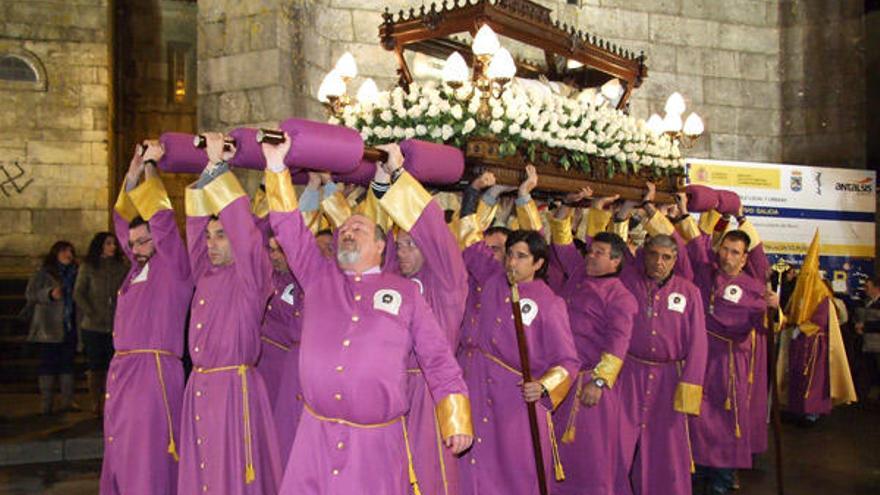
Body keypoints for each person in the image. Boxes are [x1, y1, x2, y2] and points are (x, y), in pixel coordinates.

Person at [262, 135, 473, 495]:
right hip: (316, 437)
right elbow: (290, 230)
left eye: (358, 228)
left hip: (376, 444)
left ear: (380, 246)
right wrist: (276, 167)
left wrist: (455, 415)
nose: (347, 231)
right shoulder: (318, 276)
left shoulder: (405, 294)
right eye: (344, 229)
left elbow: (437, 357)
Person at [178, 133, 282, 495]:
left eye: (221, 236)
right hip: (200, 387)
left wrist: (222, 168)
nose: (211, 245)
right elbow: (192, 233)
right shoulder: (204, 273)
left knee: (228, 476)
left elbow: (248, 238)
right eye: (209, 237)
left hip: (232, 390)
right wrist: (209, 170)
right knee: (202, 474)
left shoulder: (251, 277)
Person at [375, 144, 470, 495]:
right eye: (399, 245)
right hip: (392, 388)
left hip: (431, 391)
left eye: (411, 246)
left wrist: (400, 175)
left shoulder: (446, 280)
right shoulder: (394, 281)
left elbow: (435, 232)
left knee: (429, 473)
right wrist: (381, 183)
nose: (402, 252)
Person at [458, 225, 580, 495]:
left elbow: (568, 361)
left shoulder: (550, 303)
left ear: (538, 263)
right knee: (475, 463)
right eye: (510, 254)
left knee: (515, 470)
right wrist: (478, 197)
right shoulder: (493, 280)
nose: (512, 262)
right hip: (479, 387)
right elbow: (470, 242)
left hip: (517, 401)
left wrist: (545, 385)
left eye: (522, 256)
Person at [101, 142, 192, 495]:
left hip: (153, 374)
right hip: (123, 373)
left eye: (143, 242)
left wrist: (154, 168)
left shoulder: (173, 269)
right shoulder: (135, 270)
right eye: (133, 243)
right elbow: (122, 224)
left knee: (147, 454)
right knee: (120, 448)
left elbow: (164, 223)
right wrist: (134, 171)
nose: (135, 249)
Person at [672, 195, 775, 495]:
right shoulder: (707, 273)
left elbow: (765, 326)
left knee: (726, 423)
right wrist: (680, 215)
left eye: (735, 252)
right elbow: (694, 244)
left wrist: (774, 309)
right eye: (725, 250)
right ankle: (697, 469)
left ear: (744, 258)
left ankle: (723, 479)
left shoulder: (754, 290)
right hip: (699, 360)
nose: (728, 256)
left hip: (729, 366)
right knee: (697, 418)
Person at [548, 190, 638, 495]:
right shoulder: (578, 275)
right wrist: (570, 203)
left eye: (598, 252)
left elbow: (618, 343)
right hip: (561, 379)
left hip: (590, 386)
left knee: (591, 458)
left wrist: (598, 383)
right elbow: (560, 241)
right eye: (590, 251)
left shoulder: (621, 296)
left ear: (615, 260)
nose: (590, 256)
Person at [616, 232, 708, 495]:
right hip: (629, 374)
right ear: (644, 255)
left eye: (666, 257)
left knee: (665, 445)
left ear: (675, 259)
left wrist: (690, 385)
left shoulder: (689, 292)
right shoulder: (627, 282)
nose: (659, 262)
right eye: (654, 255)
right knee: (619, 439)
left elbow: (698, 342)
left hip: (669, 378)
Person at [74, 231, 128, 416]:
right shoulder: (88, 267)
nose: (112, 247)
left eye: (114, 243)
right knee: (96, 366)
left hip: (115, 325)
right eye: (108, 243)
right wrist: (91, 311)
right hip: (93, 326)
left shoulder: (121, 267)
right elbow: (79, 293)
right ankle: (96, 402)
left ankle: (111, 402)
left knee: (113, 365)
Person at [25, 240, 79, 415]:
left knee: (67, 364)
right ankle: (46, 403)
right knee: (48, 363)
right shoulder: (44, 273)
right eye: (64, 251)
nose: (68, 255)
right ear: (55, 253)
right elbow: (31, 294)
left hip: (69, 325)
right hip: (49, 326)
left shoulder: (76, 273)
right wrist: (49, 294)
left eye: (70, 251)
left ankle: (67, 401)